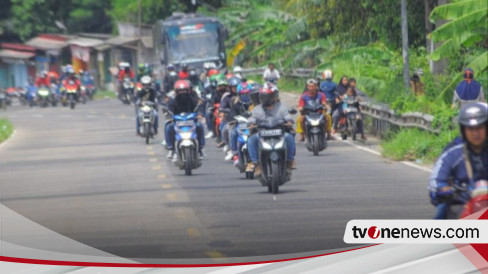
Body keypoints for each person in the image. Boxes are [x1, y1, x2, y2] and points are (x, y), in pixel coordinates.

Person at [429, 102, 488, 219]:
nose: (476, 133)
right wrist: (442, 188)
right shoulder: (453, 153)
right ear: (463, 130)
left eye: (479, 128)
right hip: (462, 203)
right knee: (443, 210)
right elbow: (436, 179)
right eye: (471, 129)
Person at [246, 83, 296, 176]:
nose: (265, 99)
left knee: (289, 137)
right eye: (263, 96)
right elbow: (252, 118)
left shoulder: (281, 107)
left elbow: (287, 116)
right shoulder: (257, 109)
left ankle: (290, 161)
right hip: (262, 133)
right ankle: (256, 164)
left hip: (279, 133)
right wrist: (251, 123)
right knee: (251, 140)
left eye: (267, 96)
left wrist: (289, 121)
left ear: (273, 96)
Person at [165, 80, 205, 159]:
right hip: (178, 121)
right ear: (176, 91)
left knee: (200, 126)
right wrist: (169, 115)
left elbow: (198, 106)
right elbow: (169, 108)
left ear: (188, 90)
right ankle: (171, 149)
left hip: (191, 121)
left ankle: (200, 149)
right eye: (180, 91)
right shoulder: (173, 100)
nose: (182, 93)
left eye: (184, 90)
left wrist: (199, 114)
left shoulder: (192, 99)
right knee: (168, 127)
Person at [229, 81, 253, 164]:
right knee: (233, 132)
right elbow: (232, 113)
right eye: (243, 95)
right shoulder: (234, 101)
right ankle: (235, 153)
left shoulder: (255, 102)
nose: (245, 96)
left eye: (247, 94)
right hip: (240, 124)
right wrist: (233, 120)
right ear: (239, 94)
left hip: (252, 125)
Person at [220, 76, 242, 160]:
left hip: (245, 120)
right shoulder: (227, 98)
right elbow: (222, 107)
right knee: (226, 130)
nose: (236, 89)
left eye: (237, 87)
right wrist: (223, 111)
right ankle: (231, 149)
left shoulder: (246, 97)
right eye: (234, 87)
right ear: (230, 88)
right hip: (232, 120)